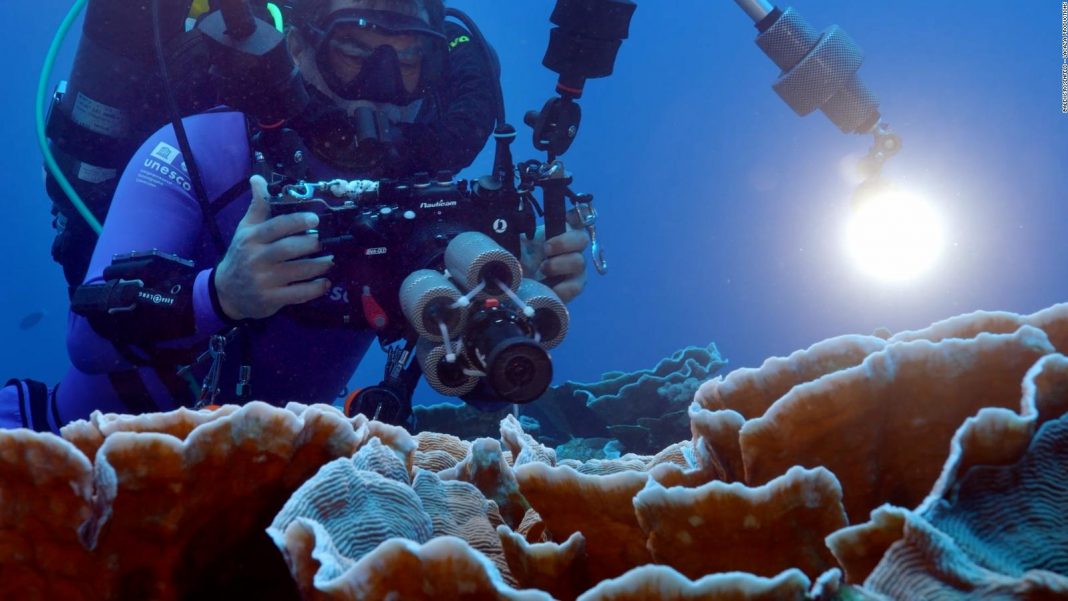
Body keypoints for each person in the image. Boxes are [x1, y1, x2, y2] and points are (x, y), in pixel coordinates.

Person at [2, 0, 589, 433]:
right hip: (76, 453)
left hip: (282, 493)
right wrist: (220, 294)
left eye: (406, 61)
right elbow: (87, 342)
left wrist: (509, 296)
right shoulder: (206, 148)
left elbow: (479, 385)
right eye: (354, 52)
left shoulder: (416, 187)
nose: (380, 87)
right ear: (301, 48)